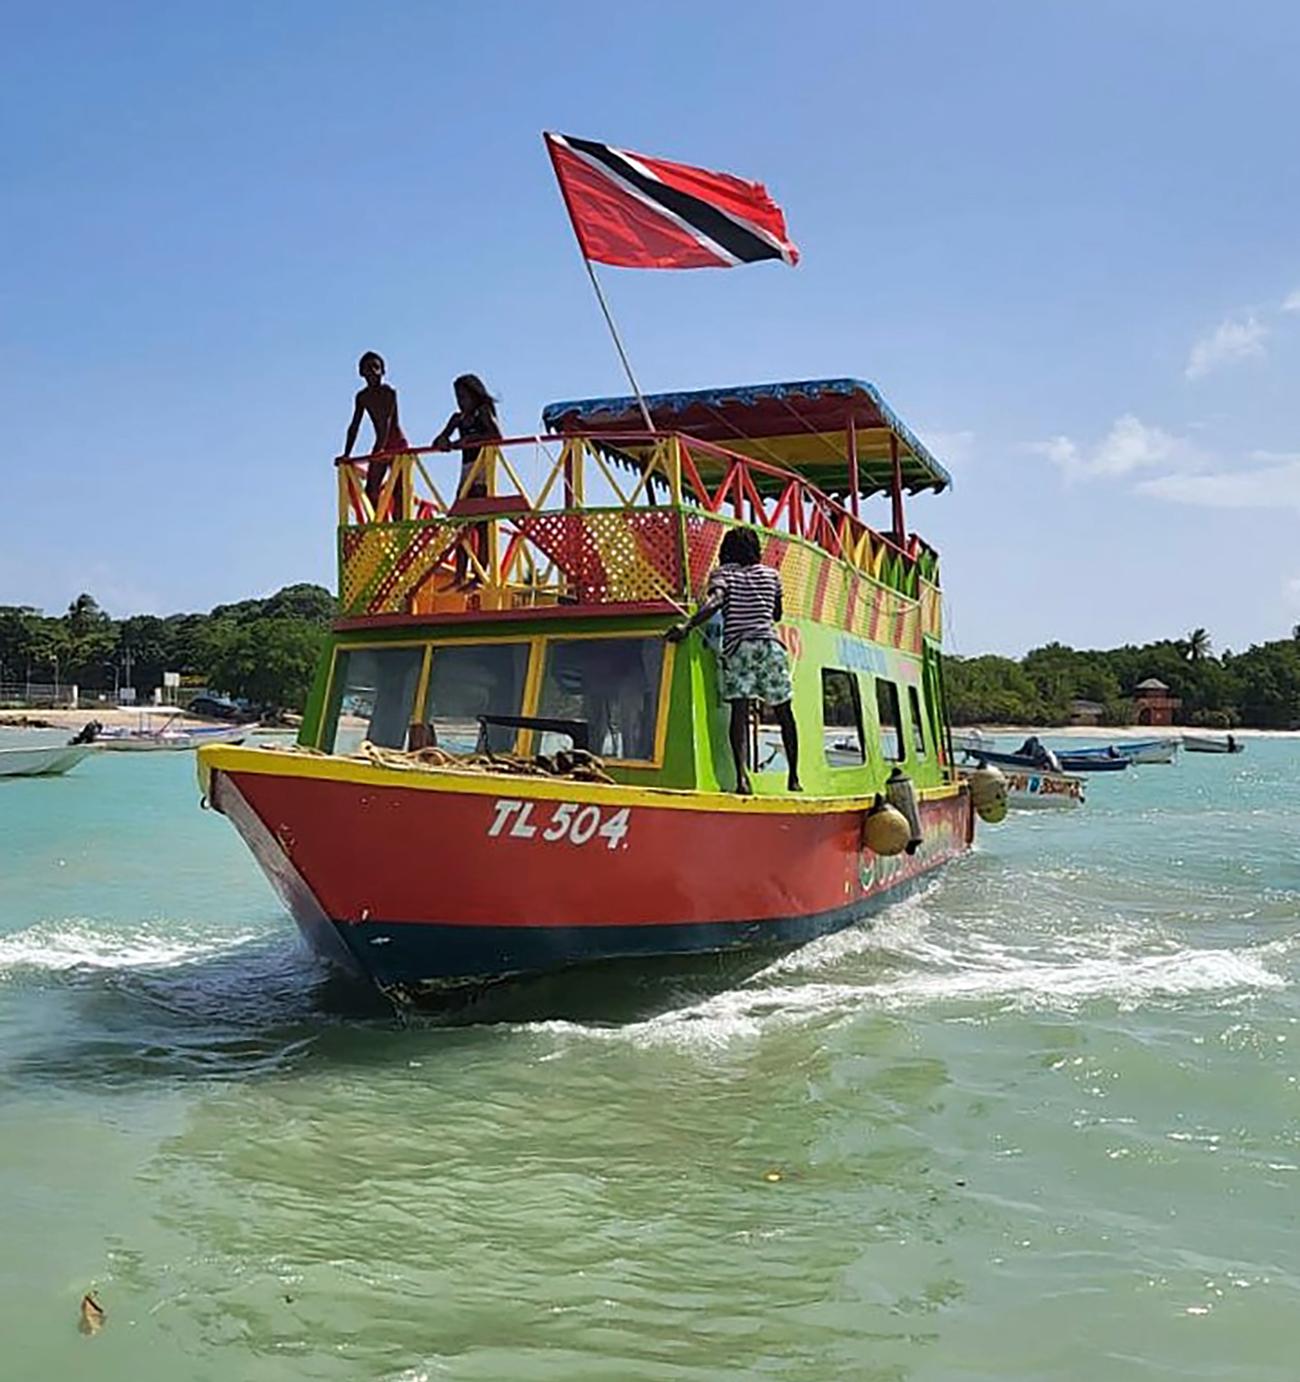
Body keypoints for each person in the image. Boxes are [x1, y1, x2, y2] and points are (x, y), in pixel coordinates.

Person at [666, 527, 801, 794]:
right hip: (770, 646)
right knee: (785, 711)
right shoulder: (771, 575)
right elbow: (776, 614)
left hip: (739, 648)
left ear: (726, 550)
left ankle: (741, 778)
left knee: (739, 712)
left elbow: (715, 601)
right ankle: (794, 777)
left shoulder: (723, 574)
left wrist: (687, 626)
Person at [432, 374, 503, 586]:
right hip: (466, 470)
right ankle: (460, 574)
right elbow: (438, 441)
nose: (460, 401)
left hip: (482, 468)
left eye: (463, 396)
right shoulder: (458, 418)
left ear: (474, 395)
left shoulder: (483, 412)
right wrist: (445, 441)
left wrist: (470, 440)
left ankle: (479, 575)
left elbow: (497, 436)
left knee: (481, 524)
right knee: (460, 523)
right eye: (457, 397)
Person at [342, 352, 410, 514]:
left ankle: (398, 526)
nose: (373, 372)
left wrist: (380, 450)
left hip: (396, 443)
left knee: (398, 490)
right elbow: (354, 425)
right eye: (368, 368)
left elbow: (387, 422)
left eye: (376, 367)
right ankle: (378, 524)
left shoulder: (389, 393)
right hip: (381, 443)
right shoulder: (362, 397)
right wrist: (347, 453)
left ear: (383, 371)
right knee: (371, 489)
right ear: (361, 372)